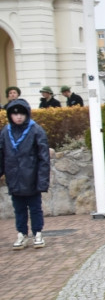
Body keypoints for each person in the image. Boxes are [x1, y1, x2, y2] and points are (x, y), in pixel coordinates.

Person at [1, 99, 51, 249]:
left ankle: (37, 233)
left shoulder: (36, 130)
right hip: (14, 178)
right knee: (19, 209)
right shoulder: (5, 132)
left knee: (35, 208)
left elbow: (44, 158)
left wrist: (42, 180)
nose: (18, 117)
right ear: (10, 116)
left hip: (32, 178)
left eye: (22, 114)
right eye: (14, 114)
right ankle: (22, 233)